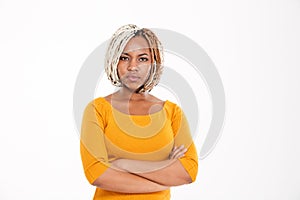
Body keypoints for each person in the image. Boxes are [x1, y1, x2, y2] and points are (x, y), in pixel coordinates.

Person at [80, 24, 198, 200]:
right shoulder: (97, 109)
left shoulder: (172, 112)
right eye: (125, 58)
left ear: (154, 63)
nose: (132, 66)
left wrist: (124, 164)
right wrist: (163, 175)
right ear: (114, 61)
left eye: (142, 59)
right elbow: (97, 173)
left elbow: (188, 171)